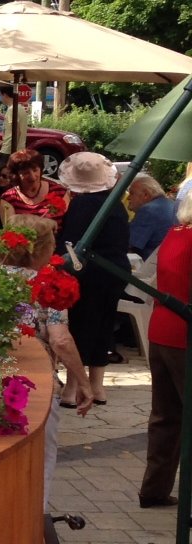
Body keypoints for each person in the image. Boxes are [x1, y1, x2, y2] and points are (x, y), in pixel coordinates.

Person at [56, 152, 129, 407]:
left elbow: (70, 244)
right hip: (115, 271)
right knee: (104, 323)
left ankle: (73, 388)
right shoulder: (115, 203)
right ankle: (98, 386)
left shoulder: (82, 205)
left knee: (80, 325)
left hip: (87, 272)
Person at [0, 215, 93, 412]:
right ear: (40, 249)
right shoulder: (49, 284)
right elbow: (60, 340)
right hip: (35, 379)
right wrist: (83, 382)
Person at [142, 194, 192, 510]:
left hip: (161, 328)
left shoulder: (174, 234)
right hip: (184, 332)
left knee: (165, 415)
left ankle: (154, 489)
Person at [0, 148, 67, 224]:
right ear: (15, 175)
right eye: (26, 173)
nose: (32, 177)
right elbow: (11, 230)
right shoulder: (8, 198)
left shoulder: (59, 191)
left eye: (35, 170)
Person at [127, 174, 176, 258]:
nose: (128, 198)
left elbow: (129, 244)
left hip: (151, 265)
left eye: (132, 193)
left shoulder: (148, 210)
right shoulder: (172, 204)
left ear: (146, 195)